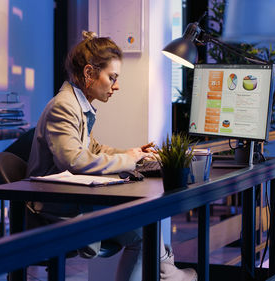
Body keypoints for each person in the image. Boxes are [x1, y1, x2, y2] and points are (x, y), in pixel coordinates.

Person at [26, 31, 197, 281]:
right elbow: (73, 161)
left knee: (144, 224)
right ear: (89, 73)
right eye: (112, 77)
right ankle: (168, 271)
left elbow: (93, 150)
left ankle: (167, 271)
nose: (116, 86)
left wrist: (134, 154)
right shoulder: (64, 107)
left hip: (72, 200)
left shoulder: (79, 105)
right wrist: (128, 160)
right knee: (143, 226)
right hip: (56, 209)